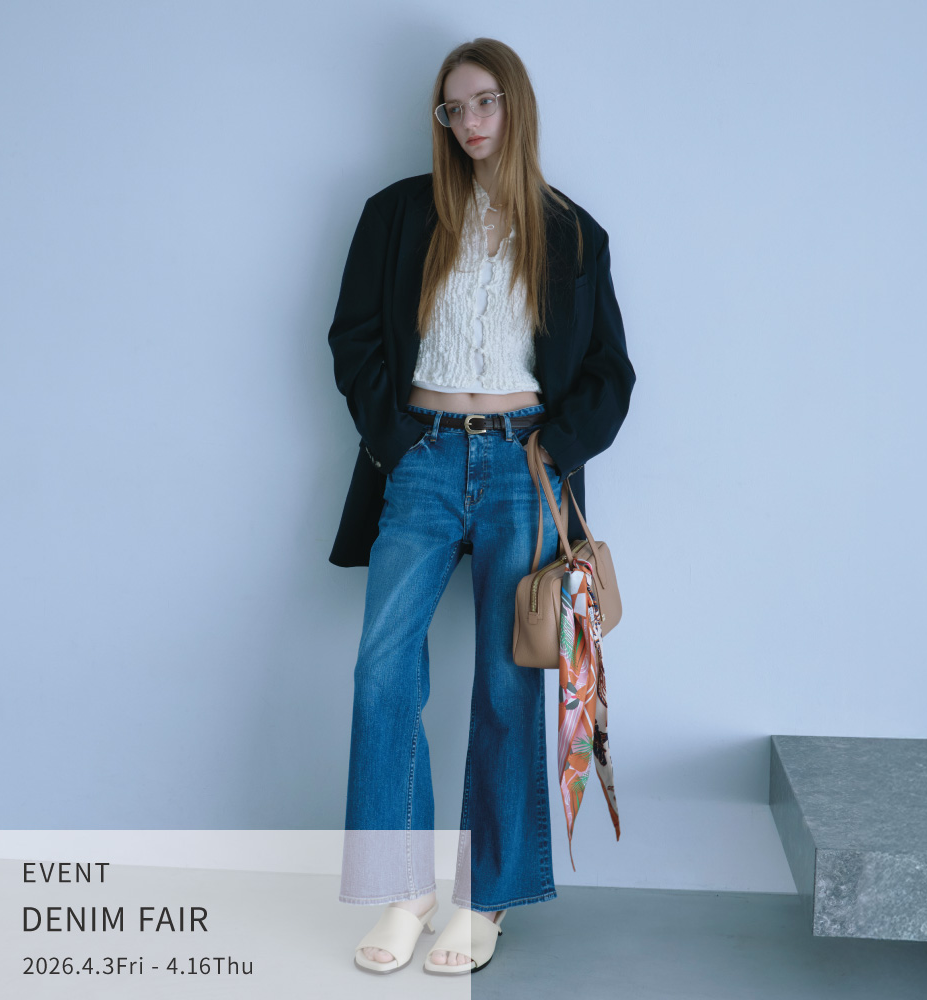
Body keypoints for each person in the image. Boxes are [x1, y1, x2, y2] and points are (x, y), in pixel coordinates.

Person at [328, 37, 635, 975]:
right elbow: (353, 336)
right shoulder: (395, 213)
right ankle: (404, 890)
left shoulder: (572, 231)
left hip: (522, 467)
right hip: (420, 461)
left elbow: (610, 373)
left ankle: (486, 898)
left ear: (516, 106)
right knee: (383, 671)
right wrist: (395, 441)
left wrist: (554, 449)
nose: (468, 121)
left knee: (508, 686)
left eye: (485, 101)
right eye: (453, 107)